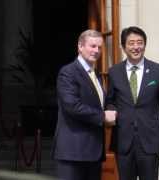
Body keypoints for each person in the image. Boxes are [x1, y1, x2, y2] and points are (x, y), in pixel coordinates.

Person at [106, 26, 159, 180]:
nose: (136, 47)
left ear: (144, 45)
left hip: (150, 142)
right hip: (123, 142)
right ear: (123, 47)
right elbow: (110, 101)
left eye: (140, 42)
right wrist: (110, 111)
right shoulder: (114, 72)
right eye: (131, 43)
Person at [52, 29, 117, 180]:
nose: (97, 51)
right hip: (73, 153)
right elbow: (72, 106)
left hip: (93, 153)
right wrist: (103, 116)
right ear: (80, 47)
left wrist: (112, 109)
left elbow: (102, 103)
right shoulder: (68, 72)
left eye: (100, 47)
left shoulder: (97, 75)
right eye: (92, 46)